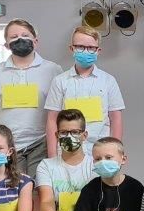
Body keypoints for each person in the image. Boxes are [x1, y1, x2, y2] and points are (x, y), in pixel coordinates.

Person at [0, 18, 65, 178]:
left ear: (35, 41)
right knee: (11, 188)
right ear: (6, 45)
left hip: (41, 143)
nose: (20, 39)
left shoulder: (53, 70)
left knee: (40, 187)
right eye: (14, 37)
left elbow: (60, 111)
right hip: (5, 145)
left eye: (25, 35)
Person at [44, 25, 125, 157]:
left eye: (91, 48)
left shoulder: (108, 81)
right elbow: (52, 120)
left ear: (98, 51)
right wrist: (52, 156)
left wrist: (115, 154)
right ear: (72, 49)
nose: (85, 51)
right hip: (66, 151)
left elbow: (115, 119)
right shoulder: (60, 81)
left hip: (100, 151)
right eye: (80, 47)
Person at [31, 109, 93, 211]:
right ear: (57, 135)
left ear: (84, 135)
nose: (69, 136)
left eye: (75, 132)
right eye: (64, 132)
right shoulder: (46, 165)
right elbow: (46, 200)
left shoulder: (94, 165)